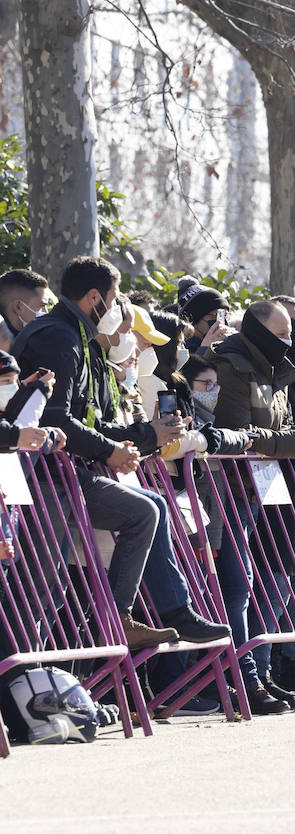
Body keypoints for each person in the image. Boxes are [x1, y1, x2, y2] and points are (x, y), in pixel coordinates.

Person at [10, 256, 231, 651]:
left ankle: (138, 617)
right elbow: (57, 415)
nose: (116, 310)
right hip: (45, 474)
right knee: (39, 594)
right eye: (113, 300)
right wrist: (111, 450)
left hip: (62, 470)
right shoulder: (59, 336)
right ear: (94, 296)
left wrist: (141, 436)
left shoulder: (74, 334)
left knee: (149, 508)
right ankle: (103, 631)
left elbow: (88, 418)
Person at [0, 268, 52, 353]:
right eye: (42, 306)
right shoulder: (6, 345)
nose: (46, 312)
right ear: (18, 307)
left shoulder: (23, 341)